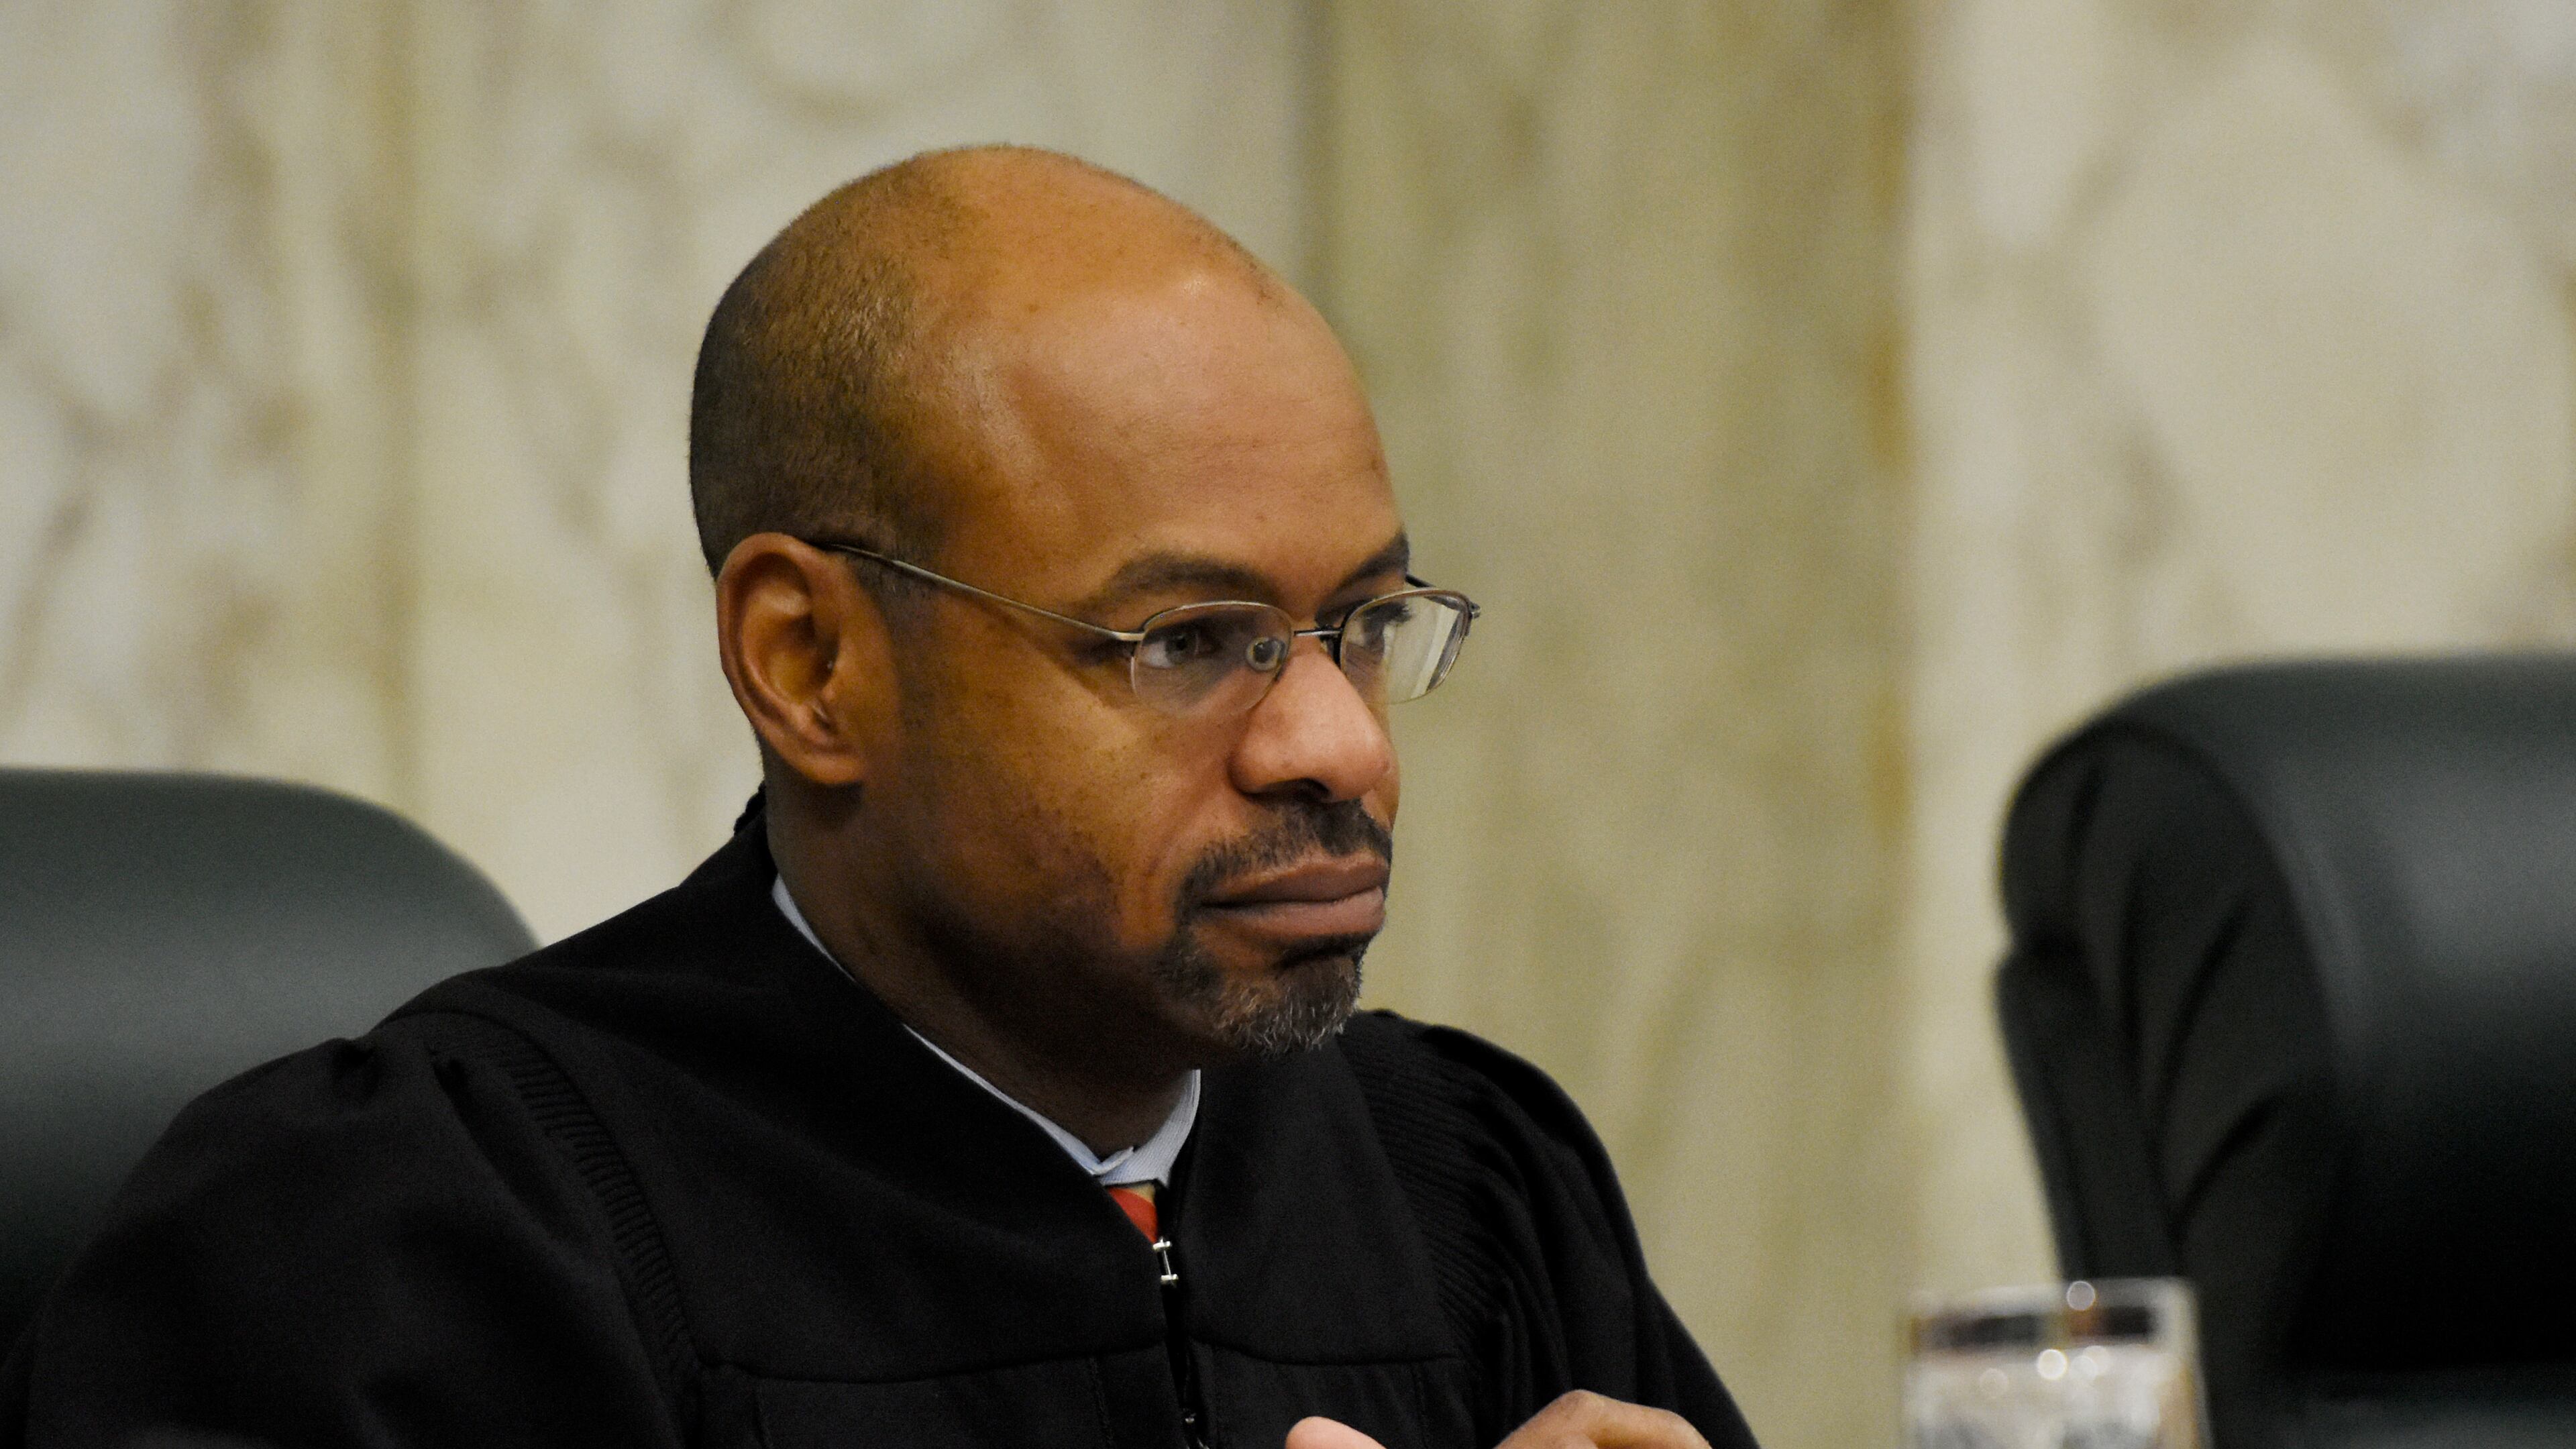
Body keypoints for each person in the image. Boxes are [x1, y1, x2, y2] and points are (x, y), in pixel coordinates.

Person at [1, 146, 1760, 1449]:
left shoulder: (1464, 1186)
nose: (1341, 746)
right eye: (1191, 639)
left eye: (1363, 625)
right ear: (812, 662)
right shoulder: (422, 1238)